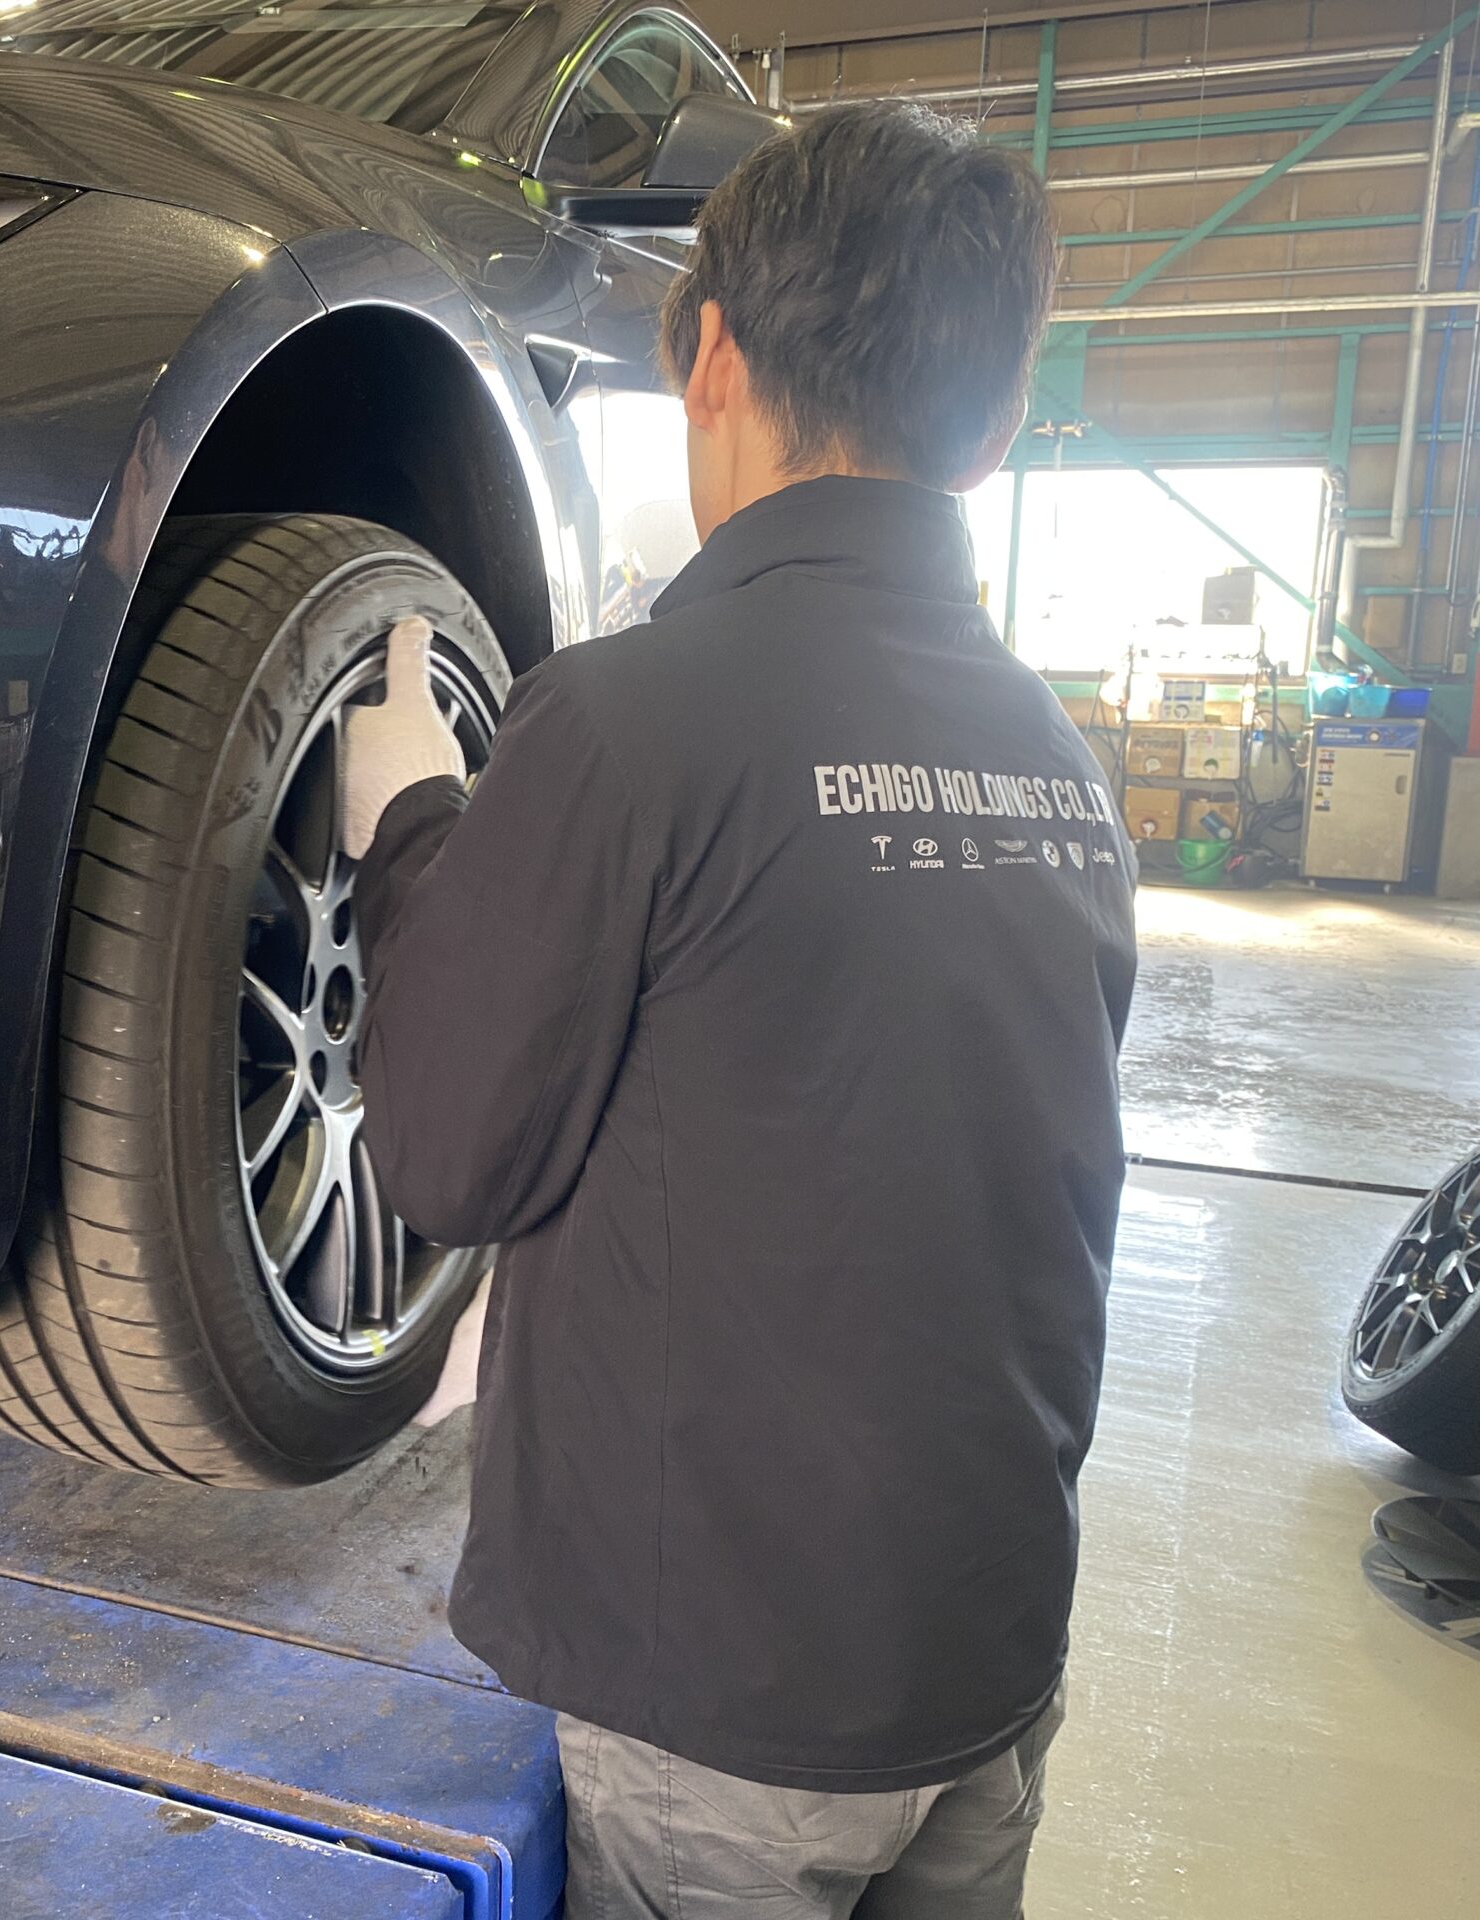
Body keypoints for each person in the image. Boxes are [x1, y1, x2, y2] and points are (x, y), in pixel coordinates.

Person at [339, 102, 1136, 1918]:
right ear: (996, 426)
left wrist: (410, 833)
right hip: (988, 1658)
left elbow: (448, 1156)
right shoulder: (1054, 757)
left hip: (733, 1716)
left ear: (709, 357)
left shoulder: (631, 718)